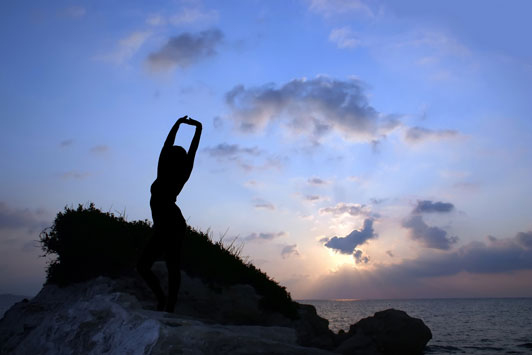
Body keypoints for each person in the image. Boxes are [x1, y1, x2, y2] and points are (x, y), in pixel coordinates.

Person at [137, 115, 202, 312]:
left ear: (174, 159)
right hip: (166, 224)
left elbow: (182, 147)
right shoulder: (169, 171)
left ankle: (168, 305)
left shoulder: (175, 173)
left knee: (171, 266)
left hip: (172, 224)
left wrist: (182, 124)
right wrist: (194, 126)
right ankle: (163, 301)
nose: (167, 153)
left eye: (171, 153)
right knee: (145, 266)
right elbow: (179, 146)